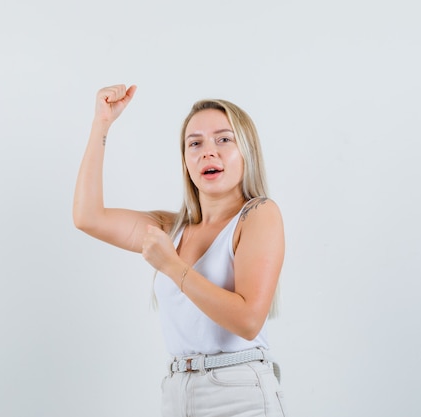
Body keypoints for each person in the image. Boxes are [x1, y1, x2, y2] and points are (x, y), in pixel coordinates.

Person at [73, 84, 287, 417]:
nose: (207, 152)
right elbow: (88, 217)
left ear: (247, 150)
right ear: (185, 160)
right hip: (178, 392)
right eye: (195, 143)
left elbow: (248, 321)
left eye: (224, 139)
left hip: (239, 393)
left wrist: (173, 267)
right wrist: (102, 124)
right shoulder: (171, 229)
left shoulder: (258, 215)